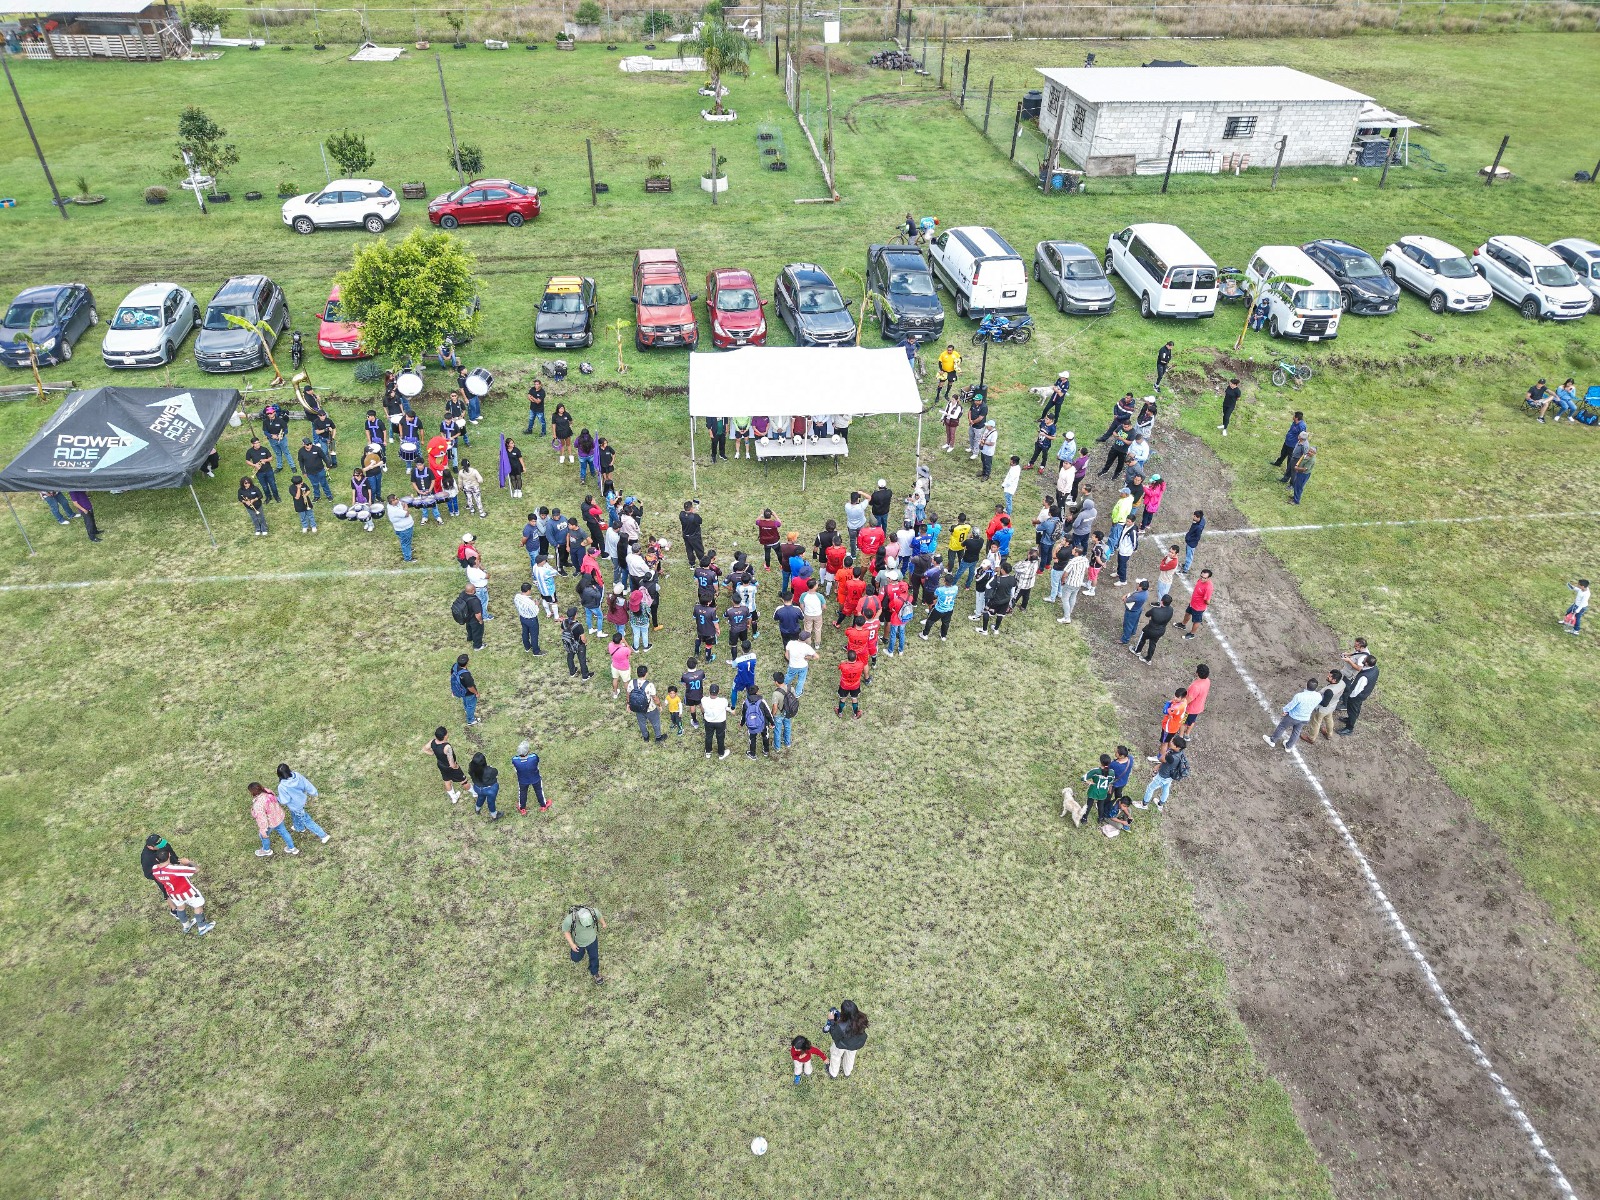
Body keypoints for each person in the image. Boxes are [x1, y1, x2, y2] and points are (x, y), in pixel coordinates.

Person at [150, 853, 215, 935]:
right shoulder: (175, 869)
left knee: (180, 908)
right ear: (169, 856)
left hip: (173, 894)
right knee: (198, 906)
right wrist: (188, 862)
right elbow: (196, 869)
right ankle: (202, 927)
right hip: (187, 892)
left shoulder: (155, 869)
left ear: (156, 859)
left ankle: (186, 926)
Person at [274, 764, 330, 843]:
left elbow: (285, 800)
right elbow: (307, 784)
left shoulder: (282, 786)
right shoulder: (297, 775)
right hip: (301, 800)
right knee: (295, 814)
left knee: (306, 820)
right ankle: (299, 827)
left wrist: (277, 799)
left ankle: (323, 835)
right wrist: (314, 792)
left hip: (295, 805)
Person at [1265, 678, 1324, 751]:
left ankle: (1272, 741)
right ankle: (1288, 746)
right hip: (1305, 718)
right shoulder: (1318, 696)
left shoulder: (1299, 696)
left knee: (1282, 727)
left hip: (1293, 716)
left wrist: (1285, 710)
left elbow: (1291, 705)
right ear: (1316, 687)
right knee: (1296, 732)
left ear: (1306, 685)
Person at [1137, 735, 1189, 812]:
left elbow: (1161, 758)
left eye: (1172, 742)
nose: (1170, 742)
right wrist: (1158, 765)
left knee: (1150, 788)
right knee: (1166, 788)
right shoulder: (1180, 752)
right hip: (1170, 776)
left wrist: (1167, 751)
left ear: (1177, 747)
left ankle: (1144, 804)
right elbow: (1165, 762)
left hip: (1163, 776)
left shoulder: (1171, 756)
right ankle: (1160, 804)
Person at [247, 782, 298, 857]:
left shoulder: (258, 804)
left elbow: (262, 819)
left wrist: (263, 830)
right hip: (279, 818)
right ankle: (292, 848)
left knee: (264, 836)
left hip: (270, 823)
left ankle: (266, 850)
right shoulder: (268, 793)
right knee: (284, 832)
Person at [561, 903, 607, 984]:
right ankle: (579, 954)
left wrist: (603, 923)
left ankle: (595, 972)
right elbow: (566, 931)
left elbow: (599, 916)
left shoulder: (594, 912)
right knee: (576, 959)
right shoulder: (570, 919)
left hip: (592, 940)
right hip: (578, 943)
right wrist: (572, 944)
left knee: (594, 956)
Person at [1299, 669, 1345, 747]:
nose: (1327, 676)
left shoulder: (1329, 691)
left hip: (1323, 710)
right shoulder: (1342, 683)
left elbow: (1324, 703)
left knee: (1316, 722)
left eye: (1329, 676)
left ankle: (1311, 738)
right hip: (1332, 706)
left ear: (1334, 680)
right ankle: (1329, 734)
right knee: (1329, 719)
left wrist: (1316, 700)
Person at [823, 1000, 869, 1078]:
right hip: (855, 1044)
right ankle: (847, 1073)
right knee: (850, 1057)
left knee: (835, 1056)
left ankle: (833, 1073)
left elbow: (835, 1035)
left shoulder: (840, 1026)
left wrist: (831, 1021)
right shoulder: (862, 1017)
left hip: (842, 1044)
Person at [1338, 655, 1379, 736]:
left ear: (1366, 663)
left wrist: (1350, 697)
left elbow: (1357, 690)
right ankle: (1350, 719)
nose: (1363, 659)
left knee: (1352, 711)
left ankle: (1349, 728)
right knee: (1357, 708)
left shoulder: (1364, 677)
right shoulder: (1375, 669)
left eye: (1364, 659)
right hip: (1365, 693)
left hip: (1356, 697)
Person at [428, 726, 467, 804]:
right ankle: (474, 792)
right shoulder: (447, 747)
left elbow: (425, 749)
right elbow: (452, 764)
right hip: (450, 768)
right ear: (445, 736)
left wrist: (433, 753)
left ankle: (454, 798)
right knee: (464, 781)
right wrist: (456, 767)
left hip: (441, 765)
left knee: (447, 781)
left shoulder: (432, 742)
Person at [628, 664, 666, 743]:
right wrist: (659, 705)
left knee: (642, 723)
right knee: (656, 722)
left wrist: (628, 704)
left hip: (637, 708)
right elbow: (655, 698)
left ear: (637, 673)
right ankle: (658, 738)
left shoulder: (632, 682)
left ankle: (646, 737)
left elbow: (628, 694)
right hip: (650, 708)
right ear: (646, 673)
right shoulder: (649, 685)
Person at [1132, 596, 1174, 663]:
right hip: (1161, 631)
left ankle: (1137, 651)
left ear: (1162, 601)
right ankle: (1148, 659)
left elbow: (1147, 614)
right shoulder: (1171, 610)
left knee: (1142, 638)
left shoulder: (1155, 610)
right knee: (1153, 644)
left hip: (1150, 629)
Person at [1151, 686, 1188, 762]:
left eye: (1177, 697)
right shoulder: (1184, 702)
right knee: (1169, 741)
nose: (1175, 698)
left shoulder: (1177, 708)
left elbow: (1165, 710)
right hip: (1175, 726)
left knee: (1164, 743)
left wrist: (1168, 703)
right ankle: (1166, 754)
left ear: (1182, 698)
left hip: (1169, 727)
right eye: (1175, 696)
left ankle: (1160, 757)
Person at [1175, 568, 1214, 640]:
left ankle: (1192, 634)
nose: (1202, 579)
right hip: (1193, 603)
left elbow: (1207, 601)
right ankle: (1183, 625)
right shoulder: (1200, 580)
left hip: (1199, 607)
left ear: (1209, 578)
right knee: (1187, 613)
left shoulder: (1208, 587)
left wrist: (1204, 603)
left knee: (1196, 621)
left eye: (1204, 578)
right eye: (1201, 576)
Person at [511, 741, 548, 813]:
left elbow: (515, 767)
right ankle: (543, 806)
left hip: (522, 780)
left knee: (522, 793)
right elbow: (537, 761)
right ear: (528, 751)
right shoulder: (534, 757)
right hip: (535, 778)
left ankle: (522, 808)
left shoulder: (515, 760)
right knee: (539, 791)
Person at [1056, 546, 1088, 623]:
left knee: (1065, 599)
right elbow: (1086, 571)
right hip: (1078, 583)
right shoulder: (1085, 560)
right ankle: (1069, 612)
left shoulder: (1072, 562)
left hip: (1070, 583)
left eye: (1073, 550)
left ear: (1076, 553)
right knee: (1073, 597)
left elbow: (1065, 574)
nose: (1072, 550)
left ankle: (1067, 618)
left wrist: (1063, 581)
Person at [921, 574, 958, 640]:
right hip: (949, 609)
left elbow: (935, 596)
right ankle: (943, 636)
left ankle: (925, 634)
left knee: (930, 621)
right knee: (946, 623)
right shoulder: (956, 588)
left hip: (939, 609)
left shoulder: (940, 590)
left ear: (944, 581)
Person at [740, 684, 773, 757]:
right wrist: (772, 723)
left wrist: (741, 724)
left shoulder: (745, 703)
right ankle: (766, 751)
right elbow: (768, 713)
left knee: (752, 738)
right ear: (757, 692)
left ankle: (752, 754)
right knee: (765, 736)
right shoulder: (762, 701)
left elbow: (744, 715)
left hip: (751, 725)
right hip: (763, 723)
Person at [245, 436, 279, 502]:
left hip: (268, 470)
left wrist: (265, 460)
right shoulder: (249, 451)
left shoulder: (264, 449)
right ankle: (268, 497)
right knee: (264, 486)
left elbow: (271, 458)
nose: (258, 444)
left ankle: (276, 497)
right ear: (252, 444)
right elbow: (247, 461)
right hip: (259, 472)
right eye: (256, 443)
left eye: (258, 442)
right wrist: (254, 465)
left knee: (273, 484)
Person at [561, 607, 593, 679]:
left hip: (569, 644)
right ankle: (585, 675)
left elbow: (562, 631)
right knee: (582, 659)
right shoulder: (578, 626)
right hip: (579, 645)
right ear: (575, 615)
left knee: (570, 657)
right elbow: (583, 639)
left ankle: (572, 671)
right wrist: (585, 643)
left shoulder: (563, 622)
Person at [513, 581, 543, 655]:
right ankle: (536, 651)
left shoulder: (517, 596)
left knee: (525, 633)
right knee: (534, 635)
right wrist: (536, 605)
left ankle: (527, 647)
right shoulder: (529, 603)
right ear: (528, 590)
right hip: (531, 620)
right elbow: (535, 612)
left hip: (522, 617)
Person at [702, 682, 730, 759]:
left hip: (708, 721)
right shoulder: (723, 701)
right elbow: (728, 707)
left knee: (708, 736)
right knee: (720, 737)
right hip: (720, 722)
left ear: (709, 691)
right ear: (718, 692)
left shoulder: (704, 700)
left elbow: (702, 709)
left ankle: (708, 752)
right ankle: (721, 753)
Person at [384, 494, 414, 561]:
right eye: (396, 499)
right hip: (404, 529)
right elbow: (406, 514)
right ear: (392, 501)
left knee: (407, 541)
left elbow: (403, 502)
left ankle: (408, 549)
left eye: (397, 498)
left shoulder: (394, 504)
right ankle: (408, 558)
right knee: (405, 543)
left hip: (405, 528)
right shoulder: (394, 511)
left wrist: (409, 498)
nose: (398, 499)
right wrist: (405, 508)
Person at [1119, 578, 1149, 644]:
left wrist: (1124, 597)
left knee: (1128, 625)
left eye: (1139, 585)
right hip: (1138, 609)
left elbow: (1126, 600)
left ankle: (1125, 639)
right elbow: (1135, 591)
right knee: (1135, 622)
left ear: (1141, 587)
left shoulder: (1137, 596)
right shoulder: (1146, 592)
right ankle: (1133, 632)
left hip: (1131, 611)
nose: (1137, 586)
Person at [836, 649, 864, 719]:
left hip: (844, 685)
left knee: (843, 698)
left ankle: (840, 713)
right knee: (854, 698)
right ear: (856, 657)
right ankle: (855, 714)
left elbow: (839, 667)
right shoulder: (860, 664)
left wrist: (844, 662)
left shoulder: (843, 665)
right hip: (855, 685)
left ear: (847, 657)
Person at [679, 500, 706, 567]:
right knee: (699, 550)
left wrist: (692, 513)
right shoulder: (694, 517)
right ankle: (702, 563)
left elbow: (686, 514)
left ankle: (692, 563)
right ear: (691, 508)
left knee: (689, 550)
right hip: (694, 537)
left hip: (686, 536)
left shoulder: (681, 514)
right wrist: (694, 513)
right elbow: (700, 521)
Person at [966, 388, 989, 459]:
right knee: (971, 436)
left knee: (977, 439)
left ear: (980, 400)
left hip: (979, 426)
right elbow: (970, 411)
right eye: (975, 400)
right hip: (972, 424)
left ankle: (975, 452)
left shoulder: (984, 407)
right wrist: (970, 420)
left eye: (976, 400)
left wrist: (972, 422)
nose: (975, 401)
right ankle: (971, 447)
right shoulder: (974, 404)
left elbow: (980, 418)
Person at [1182, 511, 1206, 575]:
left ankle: (1185, 569)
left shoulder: (1198, 527)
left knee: (1189, 556)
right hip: (1190, 541)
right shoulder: (1201, 520)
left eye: (1195, 516)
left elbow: (1197, 537)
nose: (1193, 517)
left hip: (1191, 543)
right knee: (1188, 554)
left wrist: (1189, 539)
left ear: (1198, 518)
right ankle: (1186, 565)